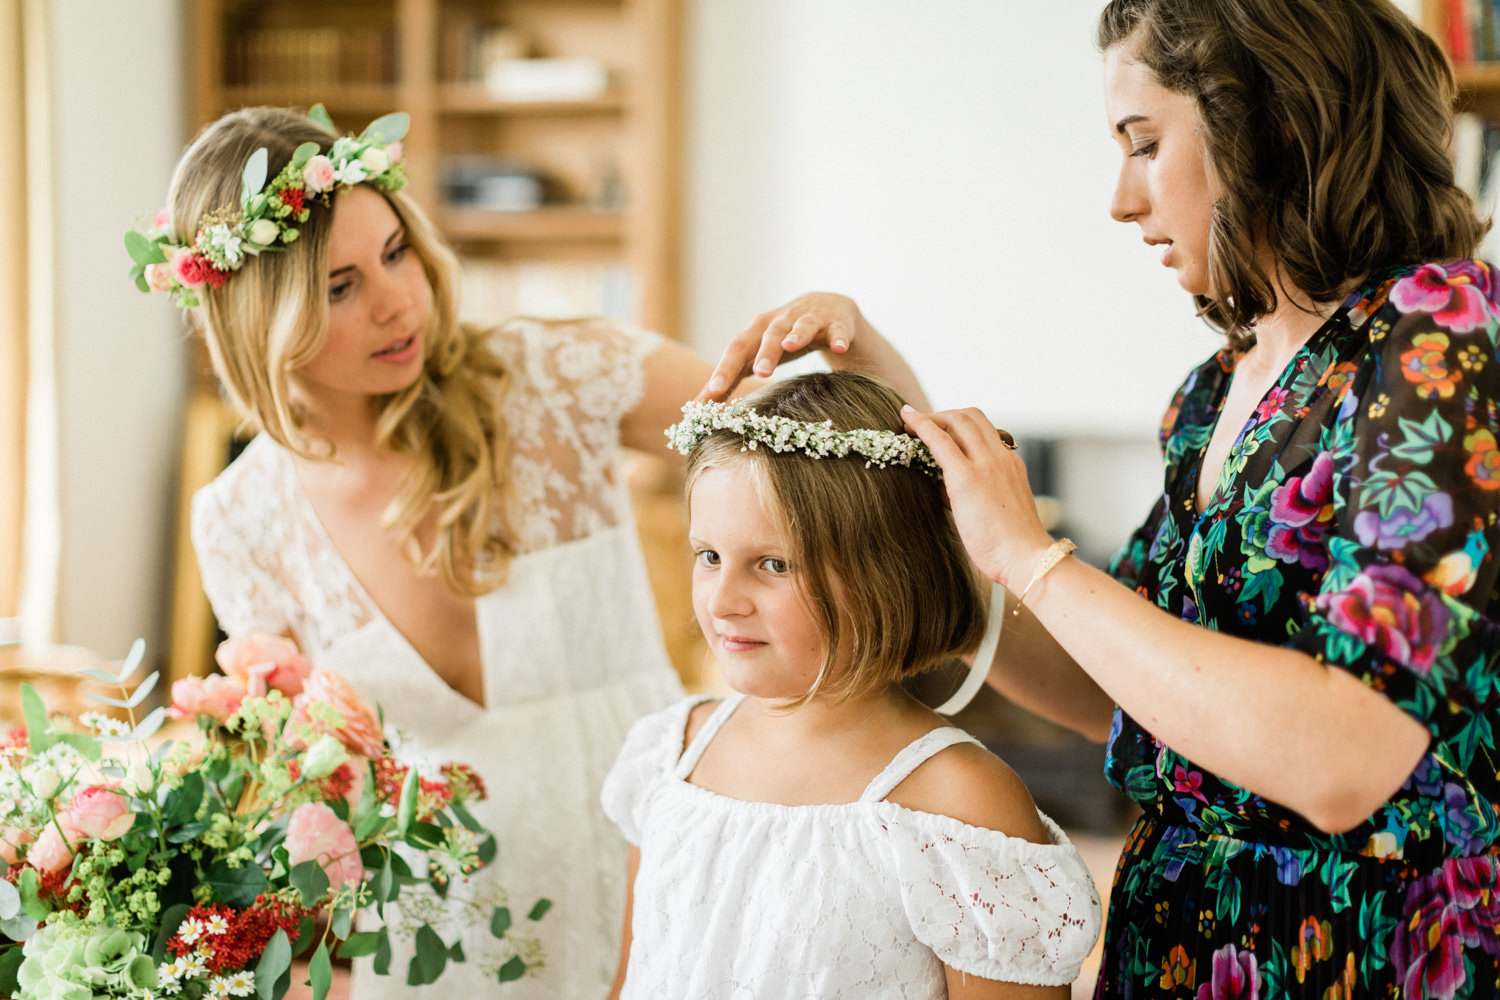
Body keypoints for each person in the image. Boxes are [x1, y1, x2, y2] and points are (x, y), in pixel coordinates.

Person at [130, 105, 927, 997]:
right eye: (339, 286)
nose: (399, 300)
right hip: (440, 935)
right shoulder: (239, 520)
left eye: (396, 252)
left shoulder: (556, 375)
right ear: (257, 317)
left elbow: (855, 462)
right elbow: (307, 799)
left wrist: (866, 344)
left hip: (656, 875)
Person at [820, 0, 1500, 996]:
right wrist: (905, 422)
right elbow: (1117, 683)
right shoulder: (1215, 387)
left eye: (1144, 144)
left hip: (1368, 955)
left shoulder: (1442, 341)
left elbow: (1350, 755)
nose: (1121, 200)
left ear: (1267, 124)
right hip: (1177, 946)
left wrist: (1037, 558)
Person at [601, 371, 1103, 999]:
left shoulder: (962, 810)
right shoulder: (667, 756)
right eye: (709, 556)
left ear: (884, 575)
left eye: (773, 565)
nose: (723, 600)